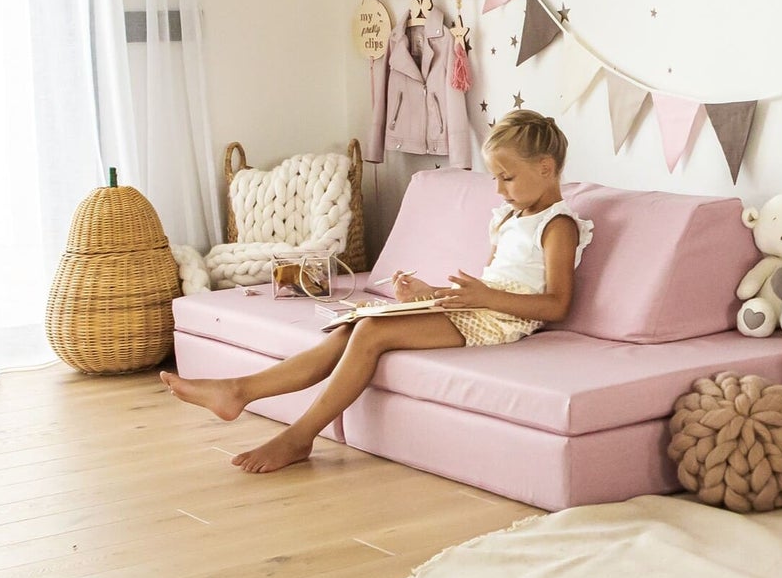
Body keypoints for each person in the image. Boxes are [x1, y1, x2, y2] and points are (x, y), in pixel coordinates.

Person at [160, 110, 593, 472]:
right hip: (481, 308)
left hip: (503, 320)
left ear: (545, 168)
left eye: (507, 178)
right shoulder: (510, 217)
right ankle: (238, 390)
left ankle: (299, 436)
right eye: (495, 178)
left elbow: (556, 304)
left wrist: (481, 298)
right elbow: (488, 286)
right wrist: (429, 292)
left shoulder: (558, 225)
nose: (498, 189)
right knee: (354, 326)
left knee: (371, 332)